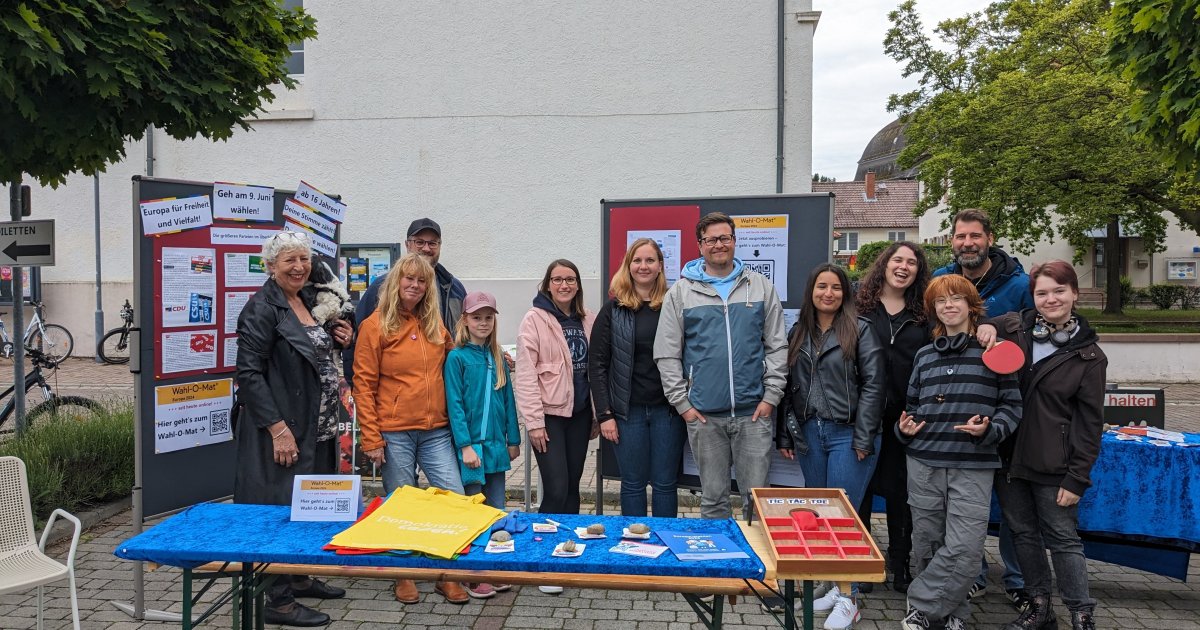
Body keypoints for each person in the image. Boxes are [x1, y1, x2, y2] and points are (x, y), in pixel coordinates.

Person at [975, 261, 1106, 630]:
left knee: (1063, 540)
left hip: (1054, 465)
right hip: (1009, 457)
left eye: (1059, 291)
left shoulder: (1090, 357)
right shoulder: (1015, 326)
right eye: (1042, 292)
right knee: (1022, 535)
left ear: (1074, 294)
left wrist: (1077, 477)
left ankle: (1082, 614)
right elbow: (988, 325)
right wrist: (986, 325)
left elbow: (1089, 423)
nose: (1051, 299)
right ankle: (1039, 609)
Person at [234, 231, 353, 627]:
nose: (299, 267)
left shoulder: (303, 300)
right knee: (278, 511)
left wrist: (342, 339)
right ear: (271, 267)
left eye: (303, 259)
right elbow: (248, 375)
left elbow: (313, 354)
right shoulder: (260, 309)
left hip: (316, 428)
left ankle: (299, 576)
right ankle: (278, 600)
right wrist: (277, 429)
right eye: (289, 261)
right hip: (283, 430)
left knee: (307, 507)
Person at [897, 275, 1021, 630]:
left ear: (971, 305)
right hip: (923, 460)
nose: (948, 305)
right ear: (933, 310)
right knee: (927, 544)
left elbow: (1011, 407)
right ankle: (953, 612)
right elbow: (912, 408)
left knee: (965, 547)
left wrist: (990, 430)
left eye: (956, 299)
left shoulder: (993, 351)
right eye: (940, 301)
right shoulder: (923, 356)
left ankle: (921, 606)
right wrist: (902, 428)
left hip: (973, 463)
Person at [654, 212, 788, 521]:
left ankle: (758, 569)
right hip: (704, 418)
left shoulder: (761, 287)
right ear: (700, 245)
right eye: (711, 239)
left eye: (724, 238)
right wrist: (683, 405)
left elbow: (778, 345)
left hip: (753, 415)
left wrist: (771, 399)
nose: (718, 245)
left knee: (757, 503)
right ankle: (719, 568)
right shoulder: (681, 293)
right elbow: (666, 354)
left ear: (734, 241)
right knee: (713, 502)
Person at [352, 253, 468, 606]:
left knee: (454, 499)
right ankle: (403, 575)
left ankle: (446, 574)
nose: (416, 286)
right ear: (396, 283)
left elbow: (458, 359)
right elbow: (363, 384)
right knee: (402, 505)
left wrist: (492, 356)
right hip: (395, 431)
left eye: (422, 281)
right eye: (409, 280)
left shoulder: (435, 325)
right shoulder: (374, 326)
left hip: (436, 430)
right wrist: (371, 437)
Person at [775, 263, 884, 629]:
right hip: (810, 435)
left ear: (845, 292)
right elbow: (789, 390)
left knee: (845, 518)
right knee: (821, 519)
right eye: (821, 286)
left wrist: (864, 436)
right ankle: (836, 587)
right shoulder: (798, 332)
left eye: (836, 287)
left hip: (848, 435)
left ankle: (850, 598)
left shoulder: (861, 330)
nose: (828, 293)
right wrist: (787, 434)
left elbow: (873, 386)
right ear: (811, 292)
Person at [933, 209, 1033, 606]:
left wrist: (1000, 323)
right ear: (952, 241)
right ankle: (970, 575)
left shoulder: (1018, 283)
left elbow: (1034, 321)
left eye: (975, 236)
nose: (967, 243)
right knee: (961, 507)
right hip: (957, 408)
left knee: (1013, 507)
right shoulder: (942, 279)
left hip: (1005, 406)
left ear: (990, 239)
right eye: (960, 237)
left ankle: (1019, 580)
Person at [514, 259, 597, 595]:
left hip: (578, 416)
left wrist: (594, 414)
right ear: (547, 284)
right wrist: (533, 423)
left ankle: (567, 555)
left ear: (577, 284)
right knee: (556, 488)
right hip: (548, 417)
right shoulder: (534, 320)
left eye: (571, 279)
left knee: (574, 488)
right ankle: (544, 562)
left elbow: (595, 369)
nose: (564, 284)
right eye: (558, 279)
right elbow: (526, 376)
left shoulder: (587, 318)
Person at [854, 242, 933, 593]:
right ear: (884, 264)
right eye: (897, 260)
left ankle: (900, 563)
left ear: (918, 271)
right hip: (863, 415)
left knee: (903, 494)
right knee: (863, 491)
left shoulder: (924, 313)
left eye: (912, 263)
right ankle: (864, 564)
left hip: (908, 418)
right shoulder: (859, 307)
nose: (903, 267)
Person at [589, 238, 686, 517]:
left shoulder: (673, 305)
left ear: (660, 267)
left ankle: (665, 549)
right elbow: (597, 365)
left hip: (668, 412)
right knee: (632, 484)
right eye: (637, 260)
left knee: (666, 484)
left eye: (650, 260)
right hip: (626, 413)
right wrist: (605, 414)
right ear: (628, 266)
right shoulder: (613, 310)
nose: (643, 266)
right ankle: (634, 545)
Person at [444, 291, 522, 600]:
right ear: (465, 320)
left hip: (495, 448)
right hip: (471, 449)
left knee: (497, 511)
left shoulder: (497, 356)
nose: (483, 323)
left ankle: (493, 568)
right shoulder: (457, 357)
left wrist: (513, 439)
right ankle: (472, 575)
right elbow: (455, 404)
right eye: (477, 317)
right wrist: (464, 445)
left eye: (488, 317)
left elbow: (508, 399)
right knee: (473, 511)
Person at [343, 218, 467, 381]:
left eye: (432, 243)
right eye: (419, 242)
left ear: (440, 246)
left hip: (447, 384)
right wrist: (355, 385)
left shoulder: (455, 289)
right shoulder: (381, 287)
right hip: (397, 390)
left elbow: (468, 335)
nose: (426, 248)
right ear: (408, 245)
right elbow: (358, 340)